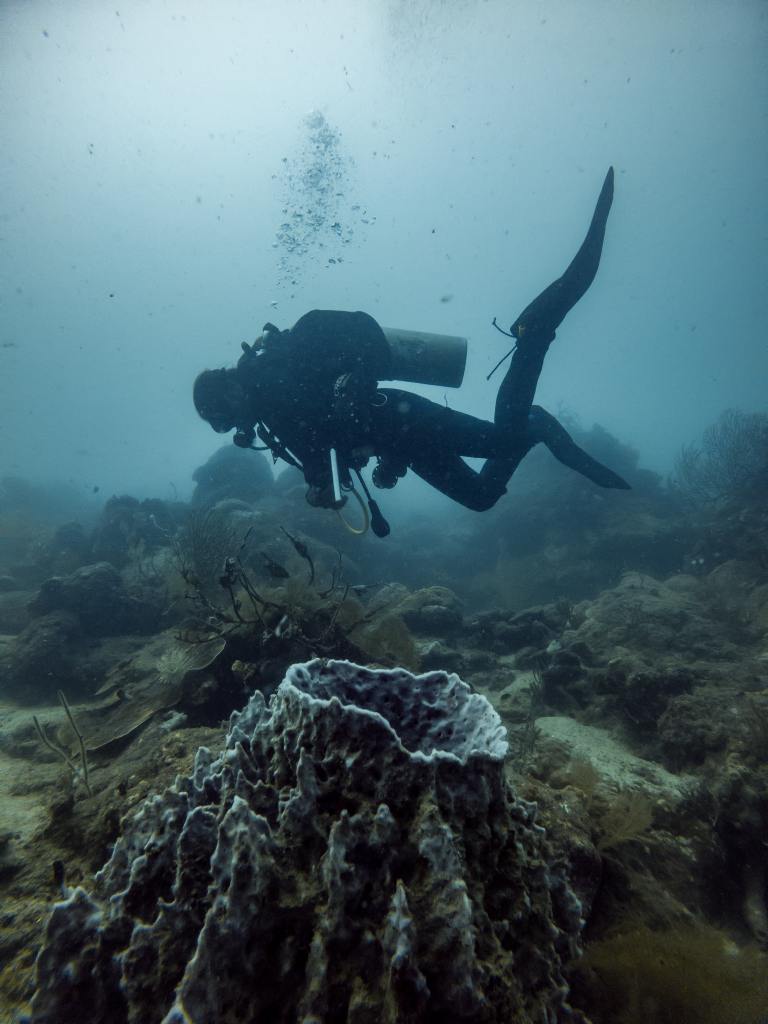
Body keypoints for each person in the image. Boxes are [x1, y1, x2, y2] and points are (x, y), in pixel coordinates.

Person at [194, 168, 629, 535]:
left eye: (224, 418)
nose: (233, 427)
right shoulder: (272, 414)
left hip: (404, 418)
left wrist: (354, 396)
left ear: (230, 392)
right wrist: (328, 485)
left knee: (502, 443)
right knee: (481, 497)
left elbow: (357, 347)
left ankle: (534, 337)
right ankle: (531, 418)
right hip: (399, 443)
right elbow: (326, 452)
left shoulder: (278, 377)